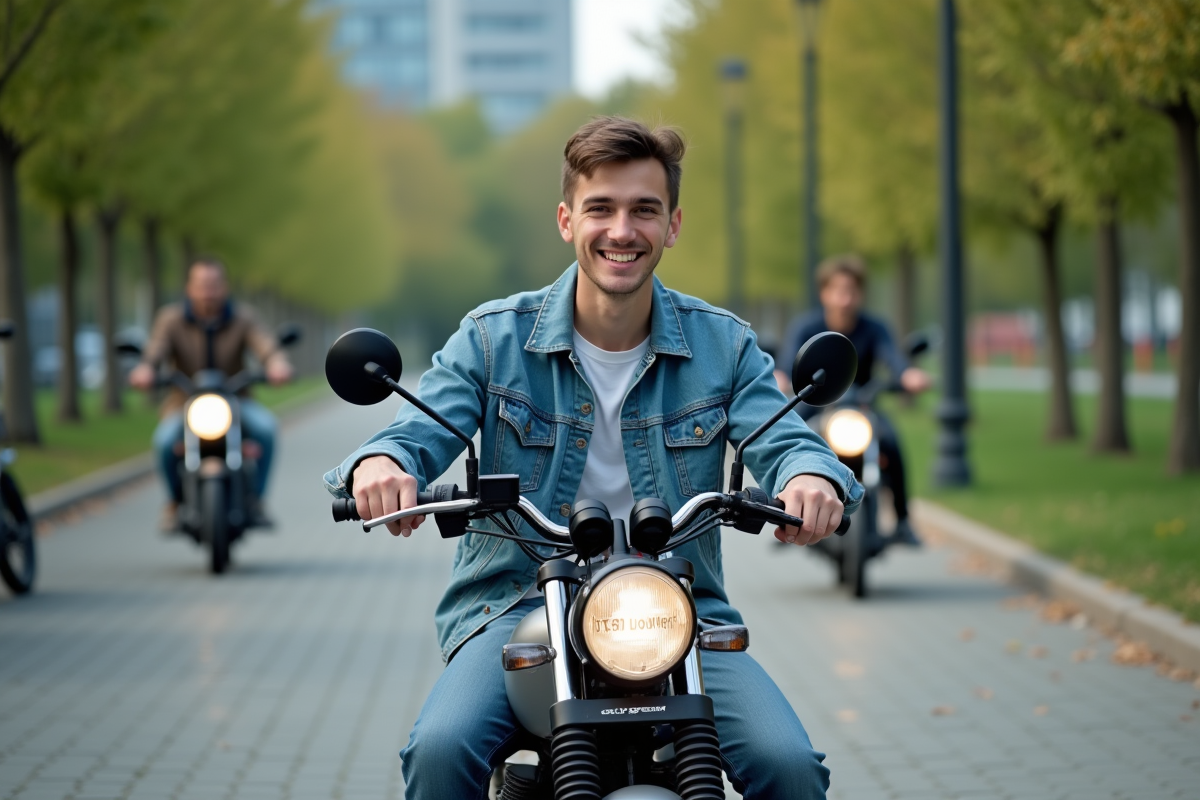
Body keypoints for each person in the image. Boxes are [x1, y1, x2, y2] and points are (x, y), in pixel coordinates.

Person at [324, 117, 863, 800]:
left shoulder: (722, 344)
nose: (621, 230)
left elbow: (784, 438)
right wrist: (383, 466)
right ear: (565, 219)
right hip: (518, 606)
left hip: (677, 614)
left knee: (790, 767)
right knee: (438, 749)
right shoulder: (493, 339)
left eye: (644, 210)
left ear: (672, 225)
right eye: (600, 208)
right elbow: (419, 429)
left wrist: (810, 478)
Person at [773, 254, 931, 546]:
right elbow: (787, 361)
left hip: (862, 406)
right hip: (815, 404)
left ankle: (903, 520)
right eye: (838, 290)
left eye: (852, 291)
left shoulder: (875, 328)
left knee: (892, 442)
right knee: (788, 441)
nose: (845, 298)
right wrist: (780, 376)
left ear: (860, 294)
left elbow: (892, 357)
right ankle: (785, 513)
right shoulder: (806, 327)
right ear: (825, 293)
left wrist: (907, 374)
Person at [130, 258, 294, 531]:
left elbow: (264, 344)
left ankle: (257, 501)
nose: (209, 291)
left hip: (236, 400)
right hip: (184, 402)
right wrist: (145, 368)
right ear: (189, 288)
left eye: (214, 285)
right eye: (202, 285)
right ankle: (172, 503)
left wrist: (277, 364)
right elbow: (156, 348)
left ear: (224, 287)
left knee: (266, 429)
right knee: (163, 441)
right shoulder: (171, 319)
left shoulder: (244, 318)